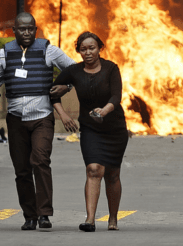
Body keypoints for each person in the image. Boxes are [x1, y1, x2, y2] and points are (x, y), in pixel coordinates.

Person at [0, 12, 75, 230]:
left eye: (30, 29)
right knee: (22, 170)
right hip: (16, 119)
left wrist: (67, 86)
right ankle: (30, 216)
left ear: (36, 30)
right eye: (22, 29)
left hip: (42, 118)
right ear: (14, 31)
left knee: (40, 161)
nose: (26, 32)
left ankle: (44, 214)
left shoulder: (49, 50)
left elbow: (75, 71)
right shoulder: (5, 53)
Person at [51, 31, 129, 232]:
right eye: (83, 49)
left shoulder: (111, 68)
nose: (87, 52)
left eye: (91, 48)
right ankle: (90, 219)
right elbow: (51, 93)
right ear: (78, 51)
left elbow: (116, 96)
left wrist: (104, 110)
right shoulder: (74, 71)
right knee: (94, 169)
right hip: (90, 128)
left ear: (99, 48)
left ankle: (113, 218)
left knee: (112, 173)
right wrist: (64, 115)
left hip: (114, 128)